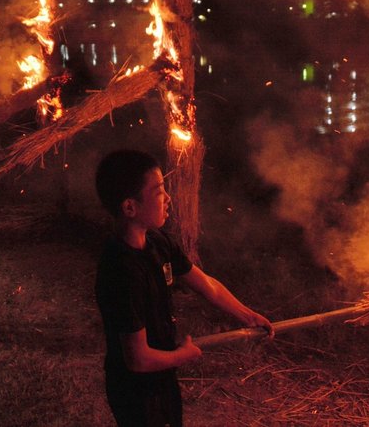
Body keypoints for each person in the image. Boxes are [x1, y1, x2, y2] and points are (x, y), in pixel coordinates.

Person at [94, 150, 274, 427]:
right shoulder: (121, 271)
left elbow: (207, 285)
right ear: (130, 207)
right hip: (134, 389)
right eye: (158, 191)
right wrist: (183, 356)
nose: (168, 198)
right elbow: (137, 359)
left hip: (163, 375)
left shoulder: (159, 243)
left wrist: (249, 316)